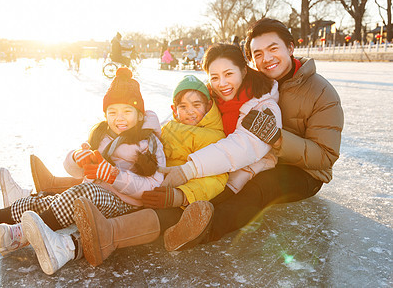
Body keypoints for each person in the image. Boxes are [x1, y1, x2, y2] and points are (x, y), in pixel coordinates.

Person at [72, 43, 283, 265]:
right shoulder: (211, 97)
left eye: (228, 74)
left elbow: (238, 150)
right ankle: (61, 187)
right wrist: (146, 131)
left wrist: (182, 188)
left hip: (233, 175)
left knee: (175, 211)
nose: (222, 83)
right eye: (214, 77)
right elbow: (173, 122)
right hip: (181, 173)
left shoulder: (263, 107)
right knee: (131, 178)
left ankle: (112, 234)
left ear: (244, 70)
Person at [0, 67, 166, 275]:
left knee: (82, 195)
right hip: (93, 191)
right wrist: (76, 158)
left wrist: (114, 176)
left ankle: (22, 233)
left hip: (125, 202)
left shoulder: (148, 142)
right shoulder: (102, 135)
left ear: (139, 115)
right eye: (113, 112)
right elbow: (75, 172)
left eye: (127, 111)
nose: (119, 118)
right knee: (44, 200)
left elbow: (154, 185)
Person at [161, 18, 344, 245]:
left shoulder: (321, 92)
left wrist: (278, 139)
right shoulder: (250, 84)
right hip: (256, 158)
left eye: (273, 49)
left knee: (261, 186)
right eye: (258, 54)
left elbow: (326, 156)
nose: (266, 59)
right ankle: (168, 216)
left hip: (303, 171)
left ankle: (206, 228)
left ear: (290, 47)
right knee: (220, 179)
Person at [72, 74, 230, 267]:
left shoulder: (215, 137)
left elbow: (216, 178)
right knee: (114, 179)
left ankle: (111, 234)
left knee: (163, 215)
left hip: (180, 196)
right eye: (183, 107)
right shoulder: (171, 126)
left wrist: (180, 195)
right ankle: (56, 185)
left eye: (197, 105)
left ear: (208, 105)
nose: (190, 112)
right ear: (174, 109)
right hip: (153, 184)